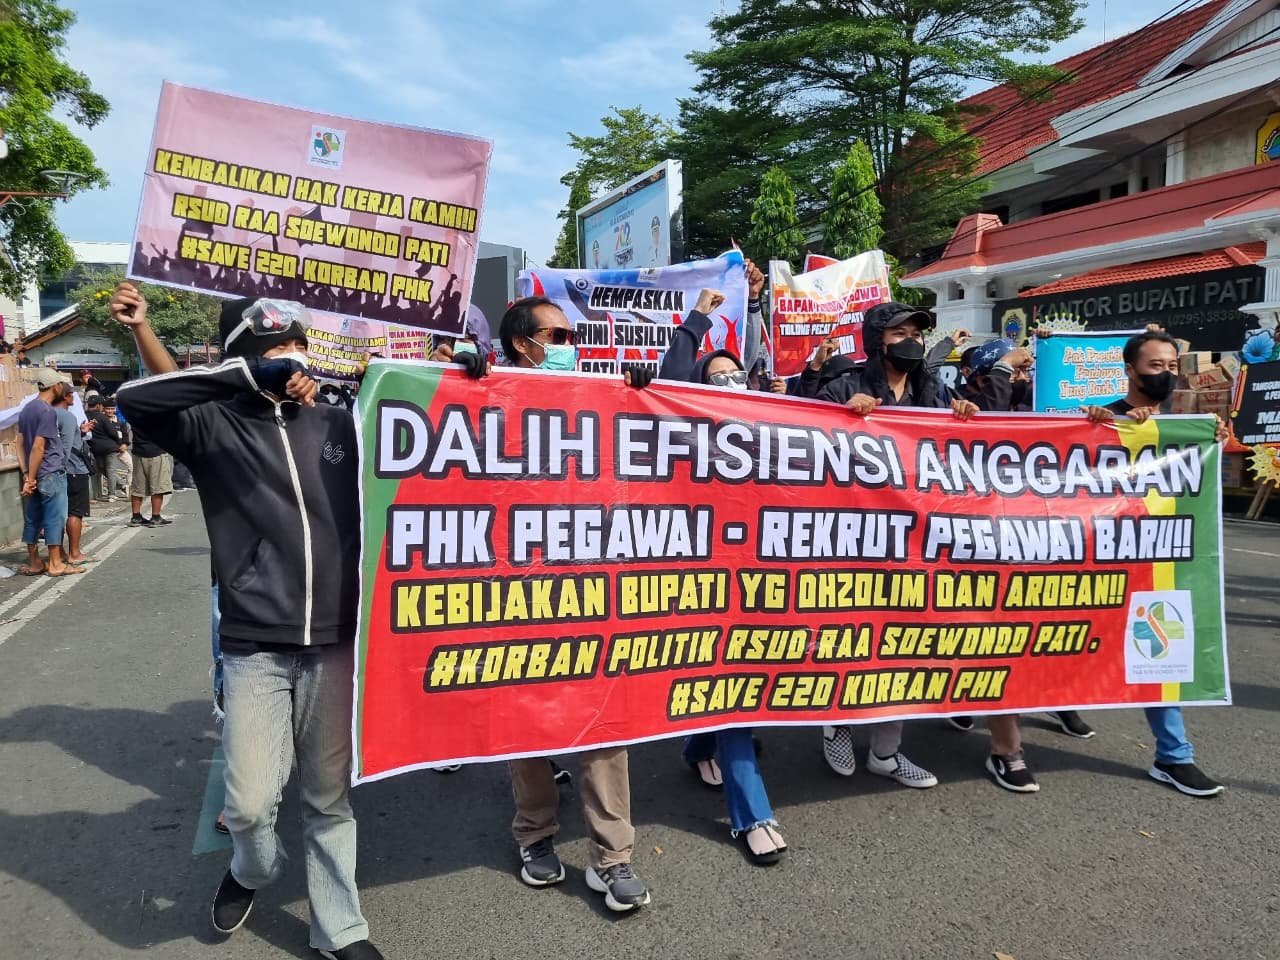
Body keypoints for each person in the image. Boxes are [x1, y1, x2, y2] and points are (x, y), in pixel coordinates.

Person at [115, 286, 385, 959]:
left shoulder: (339, 424)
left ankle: (340, 928)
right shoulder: (211, 429)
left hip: (335, 643)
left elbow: (438, 442)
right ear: (245, 357)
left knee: (328, 798)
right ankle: (250, 870)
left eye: (298, 345)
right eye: (275, 349)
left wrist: (471, 377)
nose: (293, 358)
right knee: (251, 807)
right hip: (254, 646)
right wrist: (242, 376)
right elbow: (138, 400)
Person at [492, 296, 652, 912]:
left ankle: (612, 857)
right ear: (521, 344)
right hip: (517, 587)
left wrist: (642, 397)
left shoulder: (598, 394)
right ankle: (535, 834)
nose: (568, 344)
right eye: (555, 335)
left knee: (604, 719)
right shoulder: (484, 395)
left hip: (592, 586)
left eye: (570, 334)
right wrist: (464, 379)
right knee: (527, 717)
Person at [813, 302, 979, 788]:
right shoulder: (845, 385)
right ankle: (837, 725)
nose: (911, 341)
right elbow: (802, 441)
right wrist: (841, 417)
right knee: (850, 641)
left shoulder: (934, 391)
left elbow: (953, 454)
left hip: (914, 542)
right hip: (853, 539)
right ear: (876, 341)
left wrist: (964, 417)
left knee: (905, 645)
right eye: (898, 333)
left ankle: (886, 753)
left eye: (916, 334)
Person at [657, 288, 788, 864]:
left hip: (759, 574)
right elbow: (671, 376)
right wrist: (698, 321)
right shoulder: (683, 427)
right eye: (718, 375)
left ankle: (696, 746)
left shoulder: (769, 425)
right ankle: (752, 815)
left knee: (737, 679)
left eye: (738, 374)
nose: (731, 381)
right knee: (733, 685)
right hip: (701, 575)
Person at [1085, 329, 1225, 798]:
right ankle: (1039, 706)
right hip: (1097, 562)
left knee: (1160, 654)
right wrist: (1099, 423)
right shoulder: (1103, 418)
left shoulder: (1183, 427)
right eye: (1155, 366)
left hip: (1156, 563)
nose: (1165, 374)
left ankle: (1174, 756)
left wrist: (1214, 440)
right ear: (1130, 370)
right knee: (1069, 640)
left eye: (1171, 366)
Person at [16, 369, 80, 576]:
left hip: (34, 473)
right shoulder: (47, 411)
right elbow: (38, 446)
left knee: (33, 518)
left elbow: (19, 443)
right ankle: (55, 564)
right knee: (54, 518)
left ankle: (35, 562)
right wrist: (31, 478)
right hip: (50, 472)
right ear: (56, 386)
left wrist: (27, 474)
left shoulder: (27, 409)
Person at [54, 384, 94, 564]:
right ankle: (75, 553)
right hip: (74, 469)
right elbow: (66, 447)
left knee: (56, 513)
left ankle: (59, 553)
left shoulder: (47, 414)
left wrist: (81, 432)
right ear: (66, 396)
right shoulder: (67, 416)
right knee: (75, 512)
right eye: (72, 395)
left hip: (53, 470)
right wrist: (62, 467)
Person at [128, 421, 174, 527]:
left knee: (138, 486)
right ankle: (156, 517)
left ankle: (136, 517)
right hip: (156, 451)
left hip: (138, 451)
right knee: (158, 486)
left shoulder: (135, 414)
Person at [85, 394, 123, 501]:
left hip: (95, 448)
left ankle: (96, 495)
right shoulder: (102, 417)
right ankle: (113, 493)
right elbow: (113, 432)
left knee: (99, 471)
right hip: (109, 447)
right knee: (110, 470)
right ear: (98, 405)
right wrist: (119, 442)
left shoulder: (83, 416)